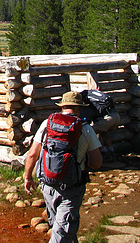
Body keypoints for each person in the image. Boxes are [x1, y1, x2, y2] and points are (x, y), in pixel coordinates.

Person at [23, 91, 102, 243]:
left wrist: (27, 177)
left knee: (62, 228)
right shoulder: (85, 128)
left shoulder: (47, 124)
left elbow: (32, 154)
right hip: (72, 187)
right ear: (79, 108)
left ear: (63, 107)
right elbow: (96, 163)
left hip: (47, 183)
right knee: (63, 231)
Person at [80, 89, 120, 161]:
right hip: (115, 115)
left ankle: (104, 151)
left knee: (90, 133)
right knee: (104, 132)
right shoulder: (94, 96)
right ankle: (111, 151)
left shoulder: (87, 102)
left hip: (107, 118)